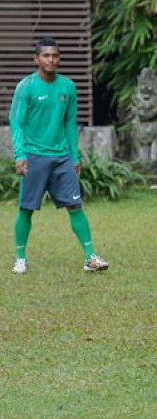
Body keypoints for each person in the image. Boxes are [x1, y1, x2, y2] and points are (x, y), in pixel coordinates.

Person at [8, 38, 109, 274]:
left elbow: (69, 124)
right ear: (36, 59)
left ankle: (90, 258)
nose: (51, 60)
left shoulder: (68, 87)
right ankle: (21, 258)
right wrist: (19, 154)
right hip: (34, 156)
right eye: (46, 56)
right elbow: (16, 121)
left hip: (62, 157)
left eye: (55, 55)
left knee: (75, 206)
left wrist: (74, 157)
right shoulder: (26, 87)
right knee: (26, 208)